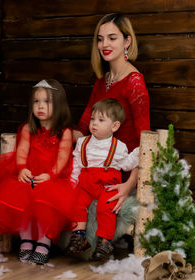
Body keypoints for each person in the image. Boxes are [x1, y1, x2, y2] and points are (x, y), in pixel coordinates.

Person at [0, 79, 75, 265]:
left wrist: (50, 175)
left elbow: (63, 157)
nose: (40, 106)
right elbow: (21, 151)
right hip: (29, 174)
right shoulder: (29, 128)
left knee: (46, 201)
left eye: (47, 102)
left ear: (59, 104)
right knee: (19, 197)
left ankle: (44, 241)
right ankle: (26, 239)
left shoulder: (64, 132)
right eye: (36, 102)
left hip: (51, 178)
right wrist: (22, 169)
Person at [74, 13, 150, 215]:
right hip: (96, 166)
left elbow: (146, 142)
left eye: (112, 38)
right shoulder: (102, 81)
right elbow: (82, 127)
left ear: (127, 41)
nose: (104, 44)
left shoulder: (134, 82)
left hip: (122, 170)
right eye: (100, 39)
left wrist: (130, 184)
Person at [65, 98, 139, 260]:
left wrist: (137, 154)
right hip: (85, 183)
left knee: (105, 208)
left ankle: (105, 242)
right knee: (77, 203)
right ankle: (78, 237)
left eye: (100, 120)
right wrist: (73, 181)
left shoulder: (118, 146)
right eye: (92, 119)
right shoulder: (83, 142)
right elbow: (77, 163)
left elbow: (126, 164)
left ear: (115, 126)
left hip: (107, 185)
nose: (94, 123)